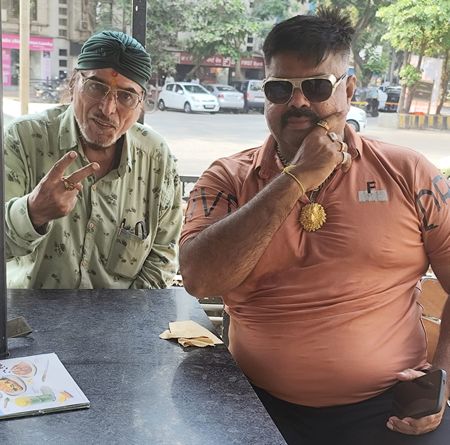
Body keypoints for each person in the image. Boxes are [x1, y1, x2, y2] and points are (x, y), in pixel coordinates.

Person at [179, 7, 450, 445]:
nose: (298, 102)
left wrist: (441, 379)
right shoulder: (227, 178)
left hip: (390, 408)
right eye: (280, 88)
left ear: (349, 90)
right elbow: (199, 278)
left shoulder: (408, 173)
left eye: (317, 86)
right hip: (253, 402)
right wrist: (297, 177)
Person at [5, 31, 183, 289]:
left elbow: (163, 257)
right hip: (31, 313)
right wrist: (33, 213)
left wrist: (121, 314)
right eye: (96, 87)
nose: (107, 109)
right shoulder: (23, 139)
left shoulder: (155, 157)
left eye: (126, 96)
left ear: (141, 104)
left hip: (122, 313)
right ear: (73, 84)